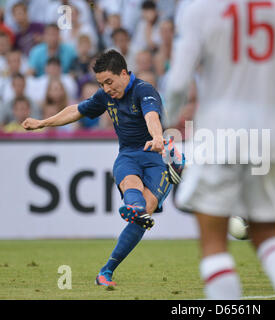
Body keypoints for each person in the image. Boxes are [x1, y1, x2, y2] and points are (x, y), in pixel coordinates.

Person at [164, 0, 275, 299]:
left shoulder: (198, 7)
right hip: (269, 133)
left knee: (214, 240)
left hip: (217, 135)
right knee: (267, 233)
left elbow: (177, 82)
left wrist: (168, 121)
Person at [21, 49, 182, 287]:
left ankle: (106, 270)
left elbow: (152, 117)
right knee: (134, 193)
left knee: (143, 211)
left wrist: (158, 137)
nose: (106, 88)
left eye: (109, 81)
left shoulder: (144, 90)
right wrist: (42, 123)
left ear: (124, 74)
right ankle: (135, 207)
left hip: (155, 155)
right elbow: (76, 110)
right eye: (101, 83)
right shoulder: (105, 96)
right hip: (127, 155)